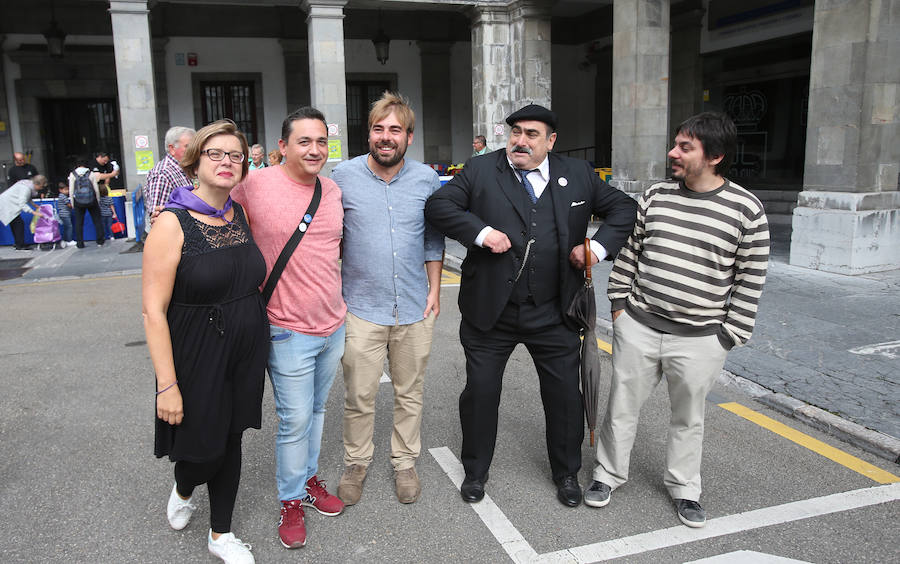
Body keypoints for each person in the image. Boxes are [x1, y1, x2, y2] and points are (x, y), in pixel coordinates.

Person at [425, 104, 637, 508]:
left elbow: (624, 208)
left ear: (551, 141)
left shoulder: (577, 175)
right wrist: (482, 233)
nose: (520, 141)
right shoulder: (481, 169)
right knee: (481, 393)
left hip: (555, 310)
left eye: (532, 134)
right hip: (491, 311)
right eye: (516, 132)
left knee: (564, 397)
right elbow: (439, 207)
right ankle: (475, 470)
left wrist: (598, 246)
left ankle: (566, 473)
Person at [585, 112, 770, 528]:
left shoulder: (746, 209)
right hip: (640, 326)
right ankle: (607, 475)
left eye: (685, 147)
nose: (673, 153)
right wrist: (618, 306)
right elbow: (630, 254)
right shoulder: (656, 195)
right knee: (620, 407)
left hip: (702, 338)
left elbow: (751, 277)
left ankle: (685, 489)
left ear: (715, 156)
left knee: (689, 417)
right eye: (675, 144)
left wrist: (729, 334)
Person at [143, 119, 266, 564]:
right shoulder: (171, 224)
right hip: (196, 352)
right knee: (204, 445)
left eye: (235, 154)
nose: (227, 162)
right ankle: (183, 485)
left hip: (246, 349)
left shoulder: (239, 214)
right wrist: (166, 384)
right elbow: (153, 311)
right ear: (194, 161)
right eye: (216, 153)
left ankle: (221, 534)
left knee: (231, 439)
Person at [230, 107, 346, 549]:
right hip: (286, 328)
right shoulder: (253, 186)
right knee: (294, 420)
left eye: (321, 142)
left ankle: (309, 480)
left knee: (316, 412)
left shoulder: (332, 191)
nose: (315, 150)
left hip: (333, 324)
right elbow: (209, 217)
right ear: (282, 147)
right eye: (304, 141)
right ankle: (291, 500)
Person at [331, 92, 444, 506]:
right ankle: (356, 462)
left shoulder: (426, 180)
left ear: (408, 137)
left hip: (415, 307)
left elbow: (433, 238)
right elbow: (328, 239)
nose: (385, 136)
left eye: (394, 129)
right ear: (369, 134)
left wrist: (434, 290)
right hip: (360, 307)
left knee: (409, 391)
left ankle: (404, 461)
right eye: (379, 128)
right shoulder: (342, 177)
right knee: (358, 394)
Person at [144, 126, 196, 233]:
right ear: (172, 149)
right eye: (188, 146)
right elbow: (157, 219)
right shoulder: (162, 174)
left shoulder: (188, 169)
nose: (194, 151)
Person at [0, 175, 48, 250]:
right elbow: (22, 202)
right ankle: (20, 245)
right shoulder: (26, 188)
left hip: (7, 203)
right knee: (18, 224)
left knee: (16, 224)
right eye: (41, 187)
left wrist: (34, 205)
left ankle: (18, 243)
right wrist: (33, 212)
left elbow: (27, 197)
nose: (41, 189)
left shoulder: (28, 184)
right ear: (37, 184)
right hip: (8, 205)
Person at [68, 160, 105, 248]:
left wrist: (73, 203)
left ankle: (80, 243)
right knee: (97, 220)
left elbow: (71, 190)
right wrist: (97, 200)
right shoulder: (90, 173)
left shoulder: (73, 174)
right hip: (92, 200)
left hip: (78, 202)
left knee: (79, 222)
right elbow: (96, 188)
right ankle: (100, 240)